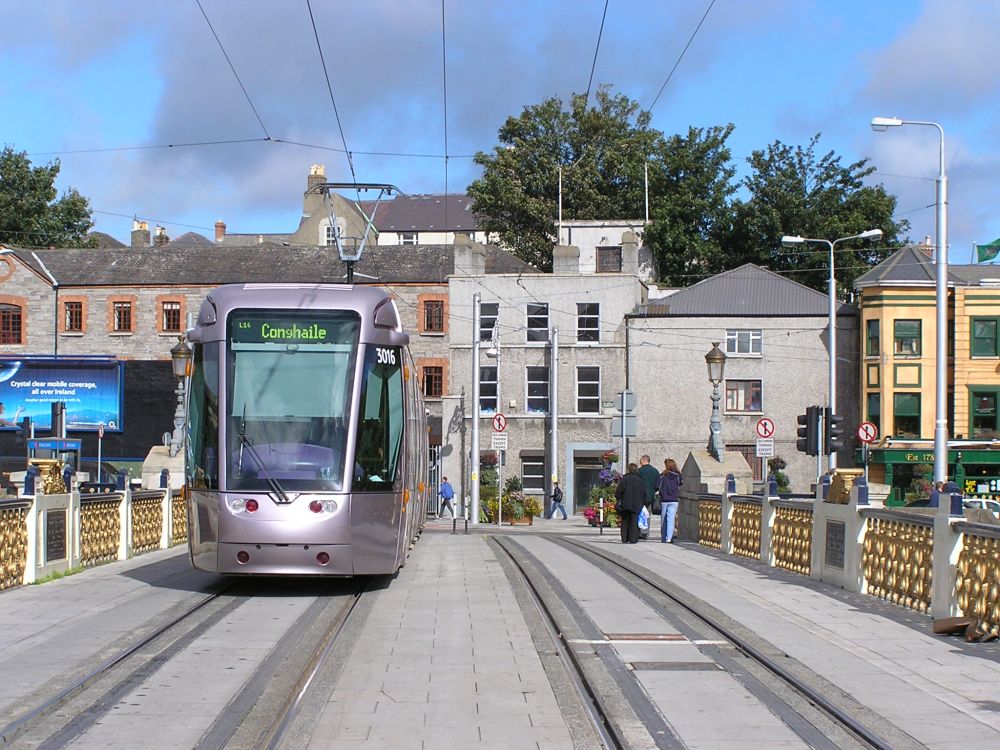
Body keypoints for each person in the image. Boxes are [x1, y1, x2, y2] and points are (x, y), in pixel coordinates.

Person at [615, 463, 646, 544]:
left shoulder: (624, 479)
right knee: (634, 521)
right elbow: (644, 493)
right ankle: (633, 539)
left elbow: (618, 492)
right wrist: (643, 502)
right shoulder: (640, 480)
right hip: (637, 504)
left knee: (625, 521)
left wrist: (619, 499)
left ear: (628, 469)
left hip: (625, 503)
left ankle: (625, 538)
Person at [657, 458, 683, 543]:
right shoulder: (678, 476)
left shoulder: (663, 475)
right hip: (674, 499)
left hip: (664, 499)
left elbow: (657, 485)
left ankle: (664, 537)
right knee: (671, 519)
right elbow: (680, 484)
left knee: (664, 519)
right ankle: (669, 537)